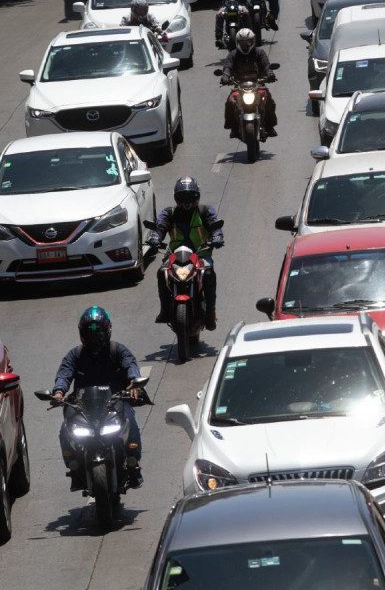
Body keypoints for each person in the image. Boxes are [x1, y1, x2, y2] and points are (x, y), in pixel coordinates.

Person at [51, 306, 144, 490]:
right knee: (65, 429)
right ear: (82, 333)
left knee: (130, 420)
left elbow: (130, 365)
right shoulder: (75, 355)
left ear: (107, 330)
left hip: (115, 402)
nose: (95, 337)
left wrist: (134, 382)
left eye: (99, 332)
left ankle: (133, 464)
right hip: (82, 406)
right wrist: (59, 392)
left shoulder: (118, 350)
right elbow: (64, 373)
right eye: (90, 332)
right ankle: (74, 468)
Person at [148, 177, 224, 330]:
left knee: (209, 274)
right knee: (161, 273)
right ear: (177, 198)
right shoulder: (169, 213)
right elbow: (160, 227)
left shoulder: (206, 211)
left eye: (191, 196)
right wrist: (155, 238)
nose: (187, 201)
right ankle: (165, 309)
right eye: (183, 197)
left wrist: (217, 236)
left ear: (197, 196)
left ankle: (210, 312)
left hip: (201, 252)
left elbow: (215, 225)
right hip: (174, 254)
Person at [221, 28, 278, 140]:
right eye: (242, 42)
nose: (245, 45)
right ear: (237, 43)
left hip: (258, 85)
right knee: (230, 103)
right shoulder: (233, 55)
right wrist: (225, 76)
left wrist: (270, 74)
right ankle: (232, 127)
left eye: (248, 42)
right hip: (239, 86)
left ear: (253, 41)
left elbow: (266, 66)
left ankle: (270, 126)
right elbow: (228, 67)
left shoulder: (259, 53)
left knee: (269, 101)